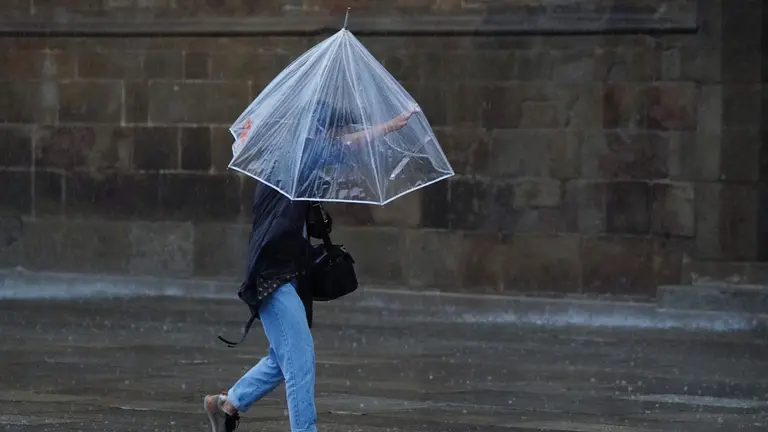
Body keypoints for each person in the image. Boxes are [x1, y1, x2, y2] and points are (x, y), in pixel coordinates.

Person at [203, 102, 417, 432]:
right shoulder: (293, 154)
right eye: (325, 131)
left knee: (282, 356)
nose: (327, 138)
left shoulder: (295, 159)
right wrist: (386, 125)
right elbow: (342, 148)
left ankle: (226, 405)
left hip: (291, 272)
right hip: (272, 275)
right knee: (300, 359)